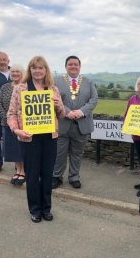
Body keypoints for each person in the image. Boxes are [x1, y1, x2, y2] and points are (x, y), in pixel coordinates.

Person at [7, 56, 65, 223]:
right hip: (28, 138)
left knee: (47, 175)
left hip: (49, 138)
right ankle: (35, 209)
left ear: (45, 70)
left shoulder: (52, 89)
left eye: (41, 68)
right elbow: (11, 114)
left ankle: (46, 208)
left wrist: (58, 106)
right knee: (32, 176)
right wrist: (17, 130)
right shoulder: (20, 89)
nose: (38, 71)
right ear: (30, 70)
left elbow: (61, 116)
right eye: (34, 68)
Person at [52, 56, 98, 189]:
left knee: (77, 153)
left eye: (76, 64)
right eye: (70, 64)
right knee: (59, 152)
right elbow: (54, 99)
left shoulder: (89, 82)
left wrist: (81, 112)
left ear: (80, 66)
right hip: (62, 123)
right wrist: (67, 112)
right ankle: (56, 176)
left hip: (82, 123)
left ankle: (74, 177)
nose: (73, 66)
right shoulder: (56, 81)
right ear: (65, 66)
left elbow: (94, 100)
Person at [0, 64, 25, 185]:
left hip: (23, 125)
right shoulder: (5, 87)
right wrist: (8, 118)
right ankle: (18, 170)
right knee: (12, 148)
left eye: (18, 72)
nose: (15, 74)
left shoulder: (26, 87)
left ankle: (23, 172)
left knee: (21, 148)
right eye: (13, 72)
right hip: (7, 124)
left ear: (22, 73)